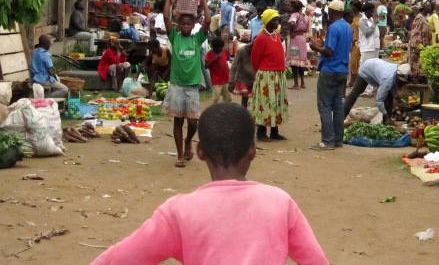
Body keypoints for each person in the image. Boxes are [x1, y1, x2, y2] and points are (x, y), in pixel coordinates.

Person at [92, 103, 328, 265]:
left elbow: (120, 259)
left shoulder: (179, 212)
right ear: (253, 151)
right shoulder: (280, 202)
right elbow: (315, 261)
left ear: (200, 152)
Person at [163, 0, 211, 168]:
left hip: (192, 87)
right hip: (176, 86)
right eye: (182, 23)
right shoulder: (174, 37)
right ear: (179, 25)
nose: (185, 26)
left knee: (193, 122)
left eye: (188, 24)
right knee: (178, 120)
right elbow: (166, 17)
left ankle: (189, 140)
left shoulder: (196, 39)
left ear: (192, 26)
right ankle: (180, 155)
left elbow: (207, 21)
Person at [308, 0, 352, 150]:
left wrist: (315, 47)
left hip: (330, 69)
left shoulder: (334, 27)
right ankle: (338, 139)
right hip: (342, 70)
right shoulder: (348, 27)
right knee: (338, 106)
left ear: (332, 12)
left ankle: (327, 141)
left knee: (325, 106)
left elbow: (329, 51)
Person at [251, 8, 289, 141]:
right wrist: (263, 74)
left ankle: (274, 131)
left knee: (276, 103)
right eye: (274, 20)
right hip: (266, 76)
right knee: (265, 104)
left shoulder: (276, 35)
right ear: (267, 21)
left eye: (277, 20)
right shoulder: (261, 38)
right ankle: (261, 132)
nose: (277, 22)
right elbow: (255, 60)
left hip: (278, 75)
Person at [343, 58, 410, 124]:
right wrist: (386, 114)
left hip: (376, 66)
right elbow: (379, 101)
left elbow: (393, 89)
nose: (402, 84)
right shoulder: (387, 80)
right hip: (366, 68)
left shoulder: (397, 71)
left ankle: (386, 121)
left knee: (388, 95)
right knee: (355, 93)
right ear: (397, 77)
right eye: (401, 82)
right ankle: (341, 116)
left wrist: (399, 100)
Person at [286, 0, 310, 90]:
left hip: (295, 39)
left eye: (290, 6)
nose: (289, 8)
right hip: (302, 39)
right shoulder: (305, 16)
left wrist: (291, 31)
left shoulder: (294, 15)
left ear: (294, 7)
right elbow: (307, 28)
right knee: (301, 62)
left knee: (294, 61)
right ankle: (302, 82)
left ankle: (296, 84)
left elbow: (292, 23)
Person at [408, 2, 433, 76]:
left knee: (417, 69)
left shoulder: (420, 17)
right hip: (417, 48)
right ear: (423, 9)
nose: (430, 8)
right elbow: (424, 34)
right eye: (428, 6)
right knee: (417, 70)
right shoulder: (421, 19)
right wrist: (428, 46)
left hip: (417, 47)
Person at [229, 41, 255, 109]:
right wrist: (231, 81)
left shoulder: (258, 51)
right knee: (245, 97)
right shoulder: (241, 51)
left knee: (254, 98)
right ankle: (244, 113)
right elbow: (234, 66)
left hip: (253, 78)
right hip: (242, 78)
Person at [206, 37, 231, 105]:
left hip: (225, 79)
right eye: (218, 48)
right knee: (216, 97)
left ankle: (226, 110)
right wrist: (215, 58)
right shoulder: (209, 54)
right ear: (213, 47)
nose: (220, 49)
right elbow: (206, 66)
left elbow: (227, 59)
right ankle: (213, 111)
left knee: (227, 97)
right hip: (216, 80)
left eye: (221, 47)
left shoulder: (224, 51)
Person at [348, 0, 362, 88]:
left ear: (356, 7)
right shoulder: (350, 17)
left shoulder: (362, 18)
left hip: (359, 42)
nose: (351, 8)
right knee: (352, 62)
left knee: (358, 62)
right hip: (351, 41)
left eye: (352, 6)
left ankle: (356, 81)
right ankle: (352, 80)